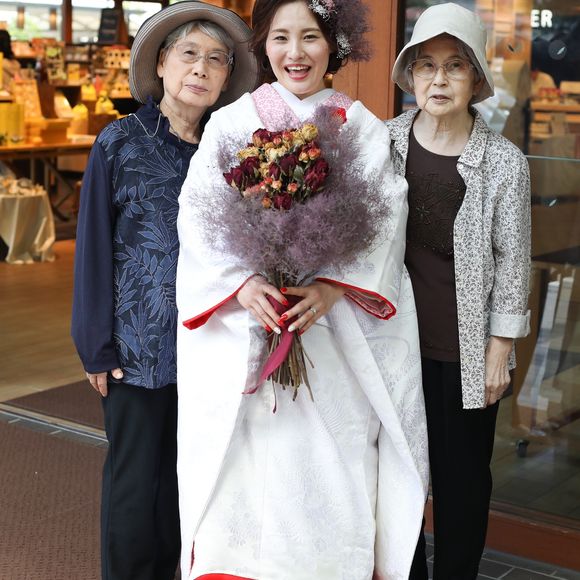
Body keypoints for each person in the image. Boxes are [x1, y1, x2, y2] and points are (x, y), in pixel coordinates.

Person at [175, 1, 429, 579]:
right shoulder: (232, 122)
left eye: (310, 37)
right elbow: (197, 213)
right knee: (243, 465)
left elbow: (386, 217)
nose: (296, 53)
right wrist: (241, 285)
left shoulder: (359, 126)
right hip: (252, 323)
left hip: (330, 332)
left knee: (330, 458)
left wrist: (333, 289)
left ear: (333, 43)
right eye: (281, 38)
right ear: (263, 44)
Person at [71, 3, 258, 579]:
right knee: (135, 484)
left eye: (216, 60)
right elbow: (93, 246)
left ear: (226, 77)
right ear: (160, 63)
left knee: (189, 482)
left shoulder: (230, 151)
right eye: (189, 55)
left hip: (210, 346)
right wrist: (95, 345)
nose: (201, 69)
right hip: (137, 348)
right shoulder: (119, 142)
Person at [386, 4, 531, 579]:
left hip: (466, 353)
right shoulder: (385, 143)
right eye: (426, 65)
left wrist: (501, 347)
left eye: (454, 66)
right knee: (396, 479)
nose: (439, 79)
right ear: (411, 75)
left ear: (474, 78)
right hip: (393, 345)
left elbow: (513, 260)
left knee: (463, 484)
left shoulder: (504, 161)